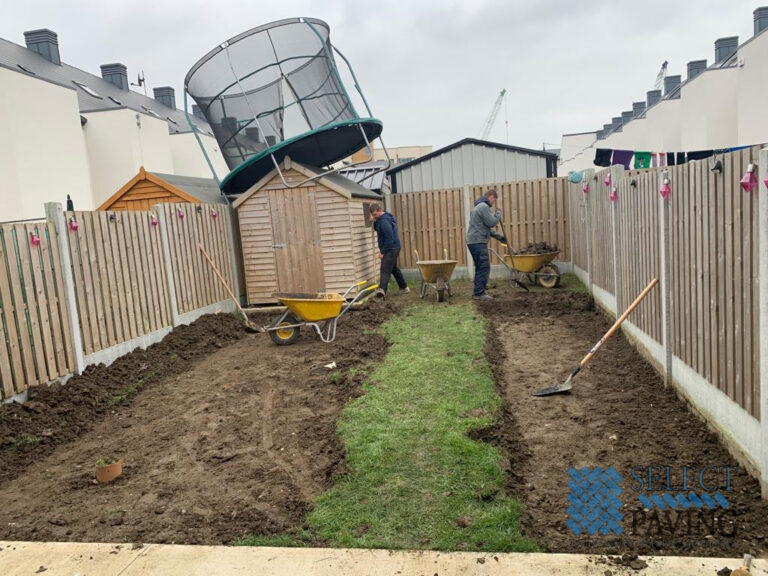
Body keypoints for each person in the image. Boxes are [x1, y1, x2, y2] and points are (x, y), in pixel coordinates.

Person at [466, 189, 506, 301]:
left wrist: (500, 238)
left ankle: (479, 290)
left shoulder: (477, 207)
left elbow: (486, 228)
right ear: (491, 197)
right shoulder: (483, 206)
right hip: (478, 242)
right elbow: (491, 223)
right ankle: (479, 293)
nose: (494, 203)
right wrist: (498, 214)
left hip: (473, 242)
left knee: (480, 267)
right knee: (484, 267)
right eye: (494, 200)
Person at [369, 203, 410, 298]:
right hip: (393, 247)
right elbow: (377, 229)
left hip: (391, 248)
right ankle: (404, 287)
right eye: (373, 215)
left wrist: (383, 252)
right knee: (394, 269)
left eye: (375, 215)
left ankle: (382, 290)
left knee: (385, 269)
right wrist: (374, 221)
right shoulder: (381, 219)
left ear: (380, 210)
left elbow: (389, 239)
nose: (374, 216)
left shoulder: (384, 222)